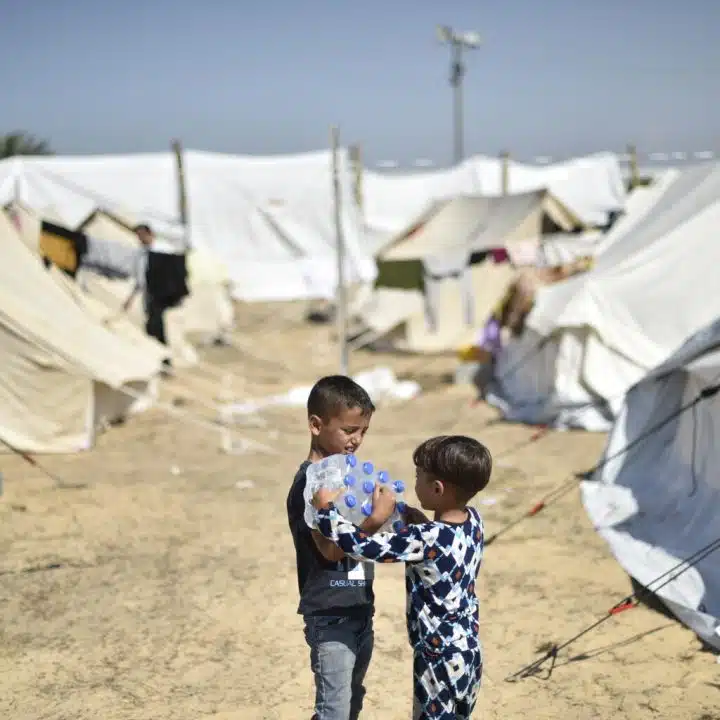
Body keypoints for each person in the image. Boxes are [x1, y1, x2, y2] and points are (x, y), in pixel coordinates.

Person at [312, 435, 491, 720]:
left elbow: (364, 547)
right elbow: (444, 547)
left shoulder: (426, 538)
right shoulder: (474, 520)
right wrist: (421, 521)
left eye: (419, 476)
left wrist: (326, 512)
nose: (414, 482)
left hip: (437, 657)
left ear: (437, 488)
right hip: (467, 649)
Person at [286, 375, 383, 720]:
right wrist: (373, 522)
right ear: (316, 424)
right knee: (334, 711)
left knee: (349, 704)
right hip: (330, 615)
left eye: (363, 431)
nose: (356, 440)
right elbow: (330, 550)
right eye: (349, 430)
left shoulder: (346, 477)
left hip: (358, 606)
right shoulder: (309, 485)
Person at [123, 223, 172, 373]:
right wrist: (130, 299)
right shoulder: (141, 255)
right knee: (151, 329)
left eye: (142, 235)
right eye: (138, 235)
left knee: (156, 329)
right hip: (148, 297)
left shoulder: (161, 251)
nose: (140, 238)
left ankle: (164, 363)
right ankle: (156, 363)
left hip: (157, 296)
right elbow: (140, 280)